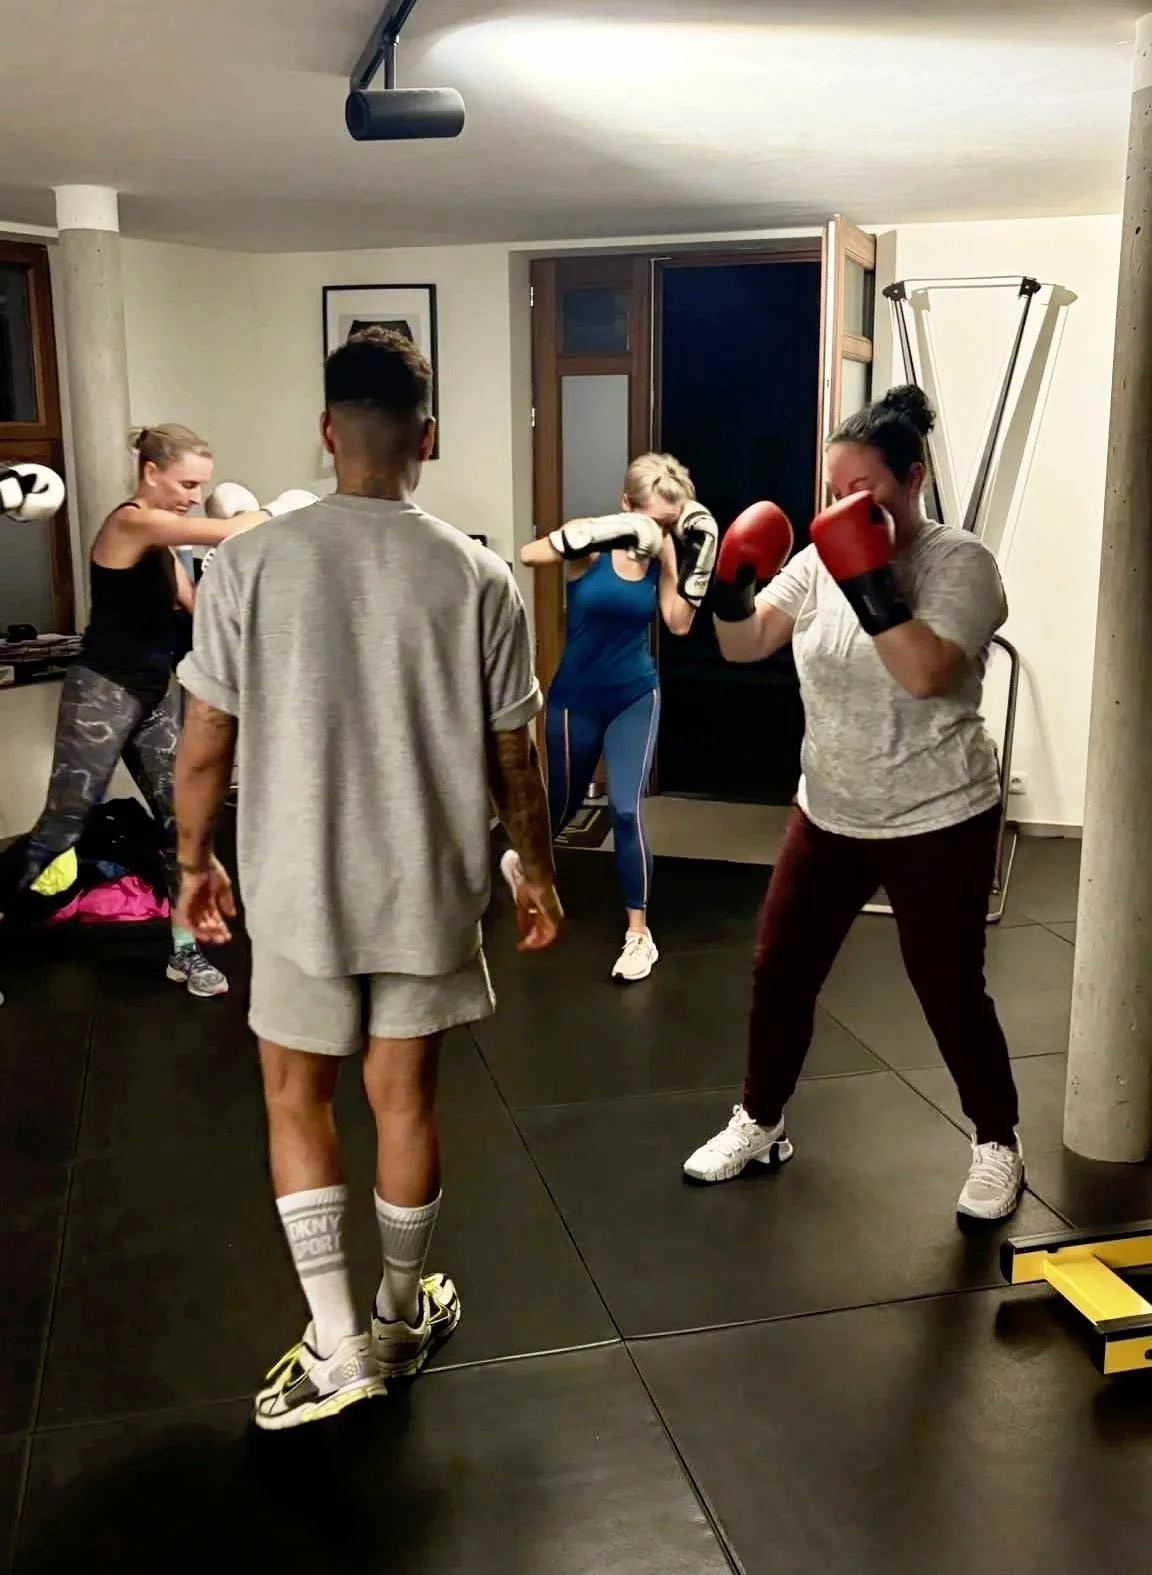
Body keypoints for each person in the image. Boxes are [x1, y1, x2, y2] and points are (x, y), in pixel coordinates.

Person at [173, 327, 561, 1430]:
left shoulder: (247, 562)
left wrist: (193, 860)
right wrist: (537, 868)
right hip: (426, 886)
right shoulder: (478, 574)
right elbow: (515, 755)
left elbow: (205, 739)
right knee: (405, 1100)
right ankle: (397, 1316)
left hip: (299, 888)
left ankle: (338, 1342)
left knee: (295, 1098)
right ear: (426, 438)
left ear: (326, 431)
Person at [683, 386, 1025, 1223]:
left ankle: (997, 1140)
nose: (842, 508)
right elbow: (745, 642)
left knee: (948, 986)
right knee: (780, 970)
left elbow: (926, 671)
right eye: (833, 491)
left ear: (914, 479)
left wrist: (864, 572)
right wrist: (726, 584)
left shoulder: (961, 564)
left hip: (937, 814)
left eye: (862, 491)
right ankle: (762, 1120)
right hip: (829, 807)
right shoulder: (814, 561)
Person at [0, 426, 314, 998]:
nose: (196, 496)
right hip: (101, 693)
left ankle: (184, 952)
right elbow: (231, 527)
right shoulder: (131, 523)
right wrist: (286, 508)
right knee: (62, 827)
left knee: (183, 824)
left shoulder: (165, 547)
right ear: (151, 472)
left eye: (202, 486)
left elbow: (200, 610)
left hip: (153, 694)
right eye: (187, 484)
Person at [513, 455, 717, 982]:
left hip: (634, 694)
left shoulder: (665, 549)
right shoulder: (590, 545)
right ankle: (524, 865)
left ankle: (638, 935)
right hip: (575, 698)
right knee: (559, 808)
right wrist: (614, 530)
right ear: (626, 504)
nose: (660, 532)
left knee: (626, 810)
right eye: (652, 520)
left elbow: (676, 623)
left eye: (669, 523)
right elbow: (529, 554)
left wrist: (697, 565)